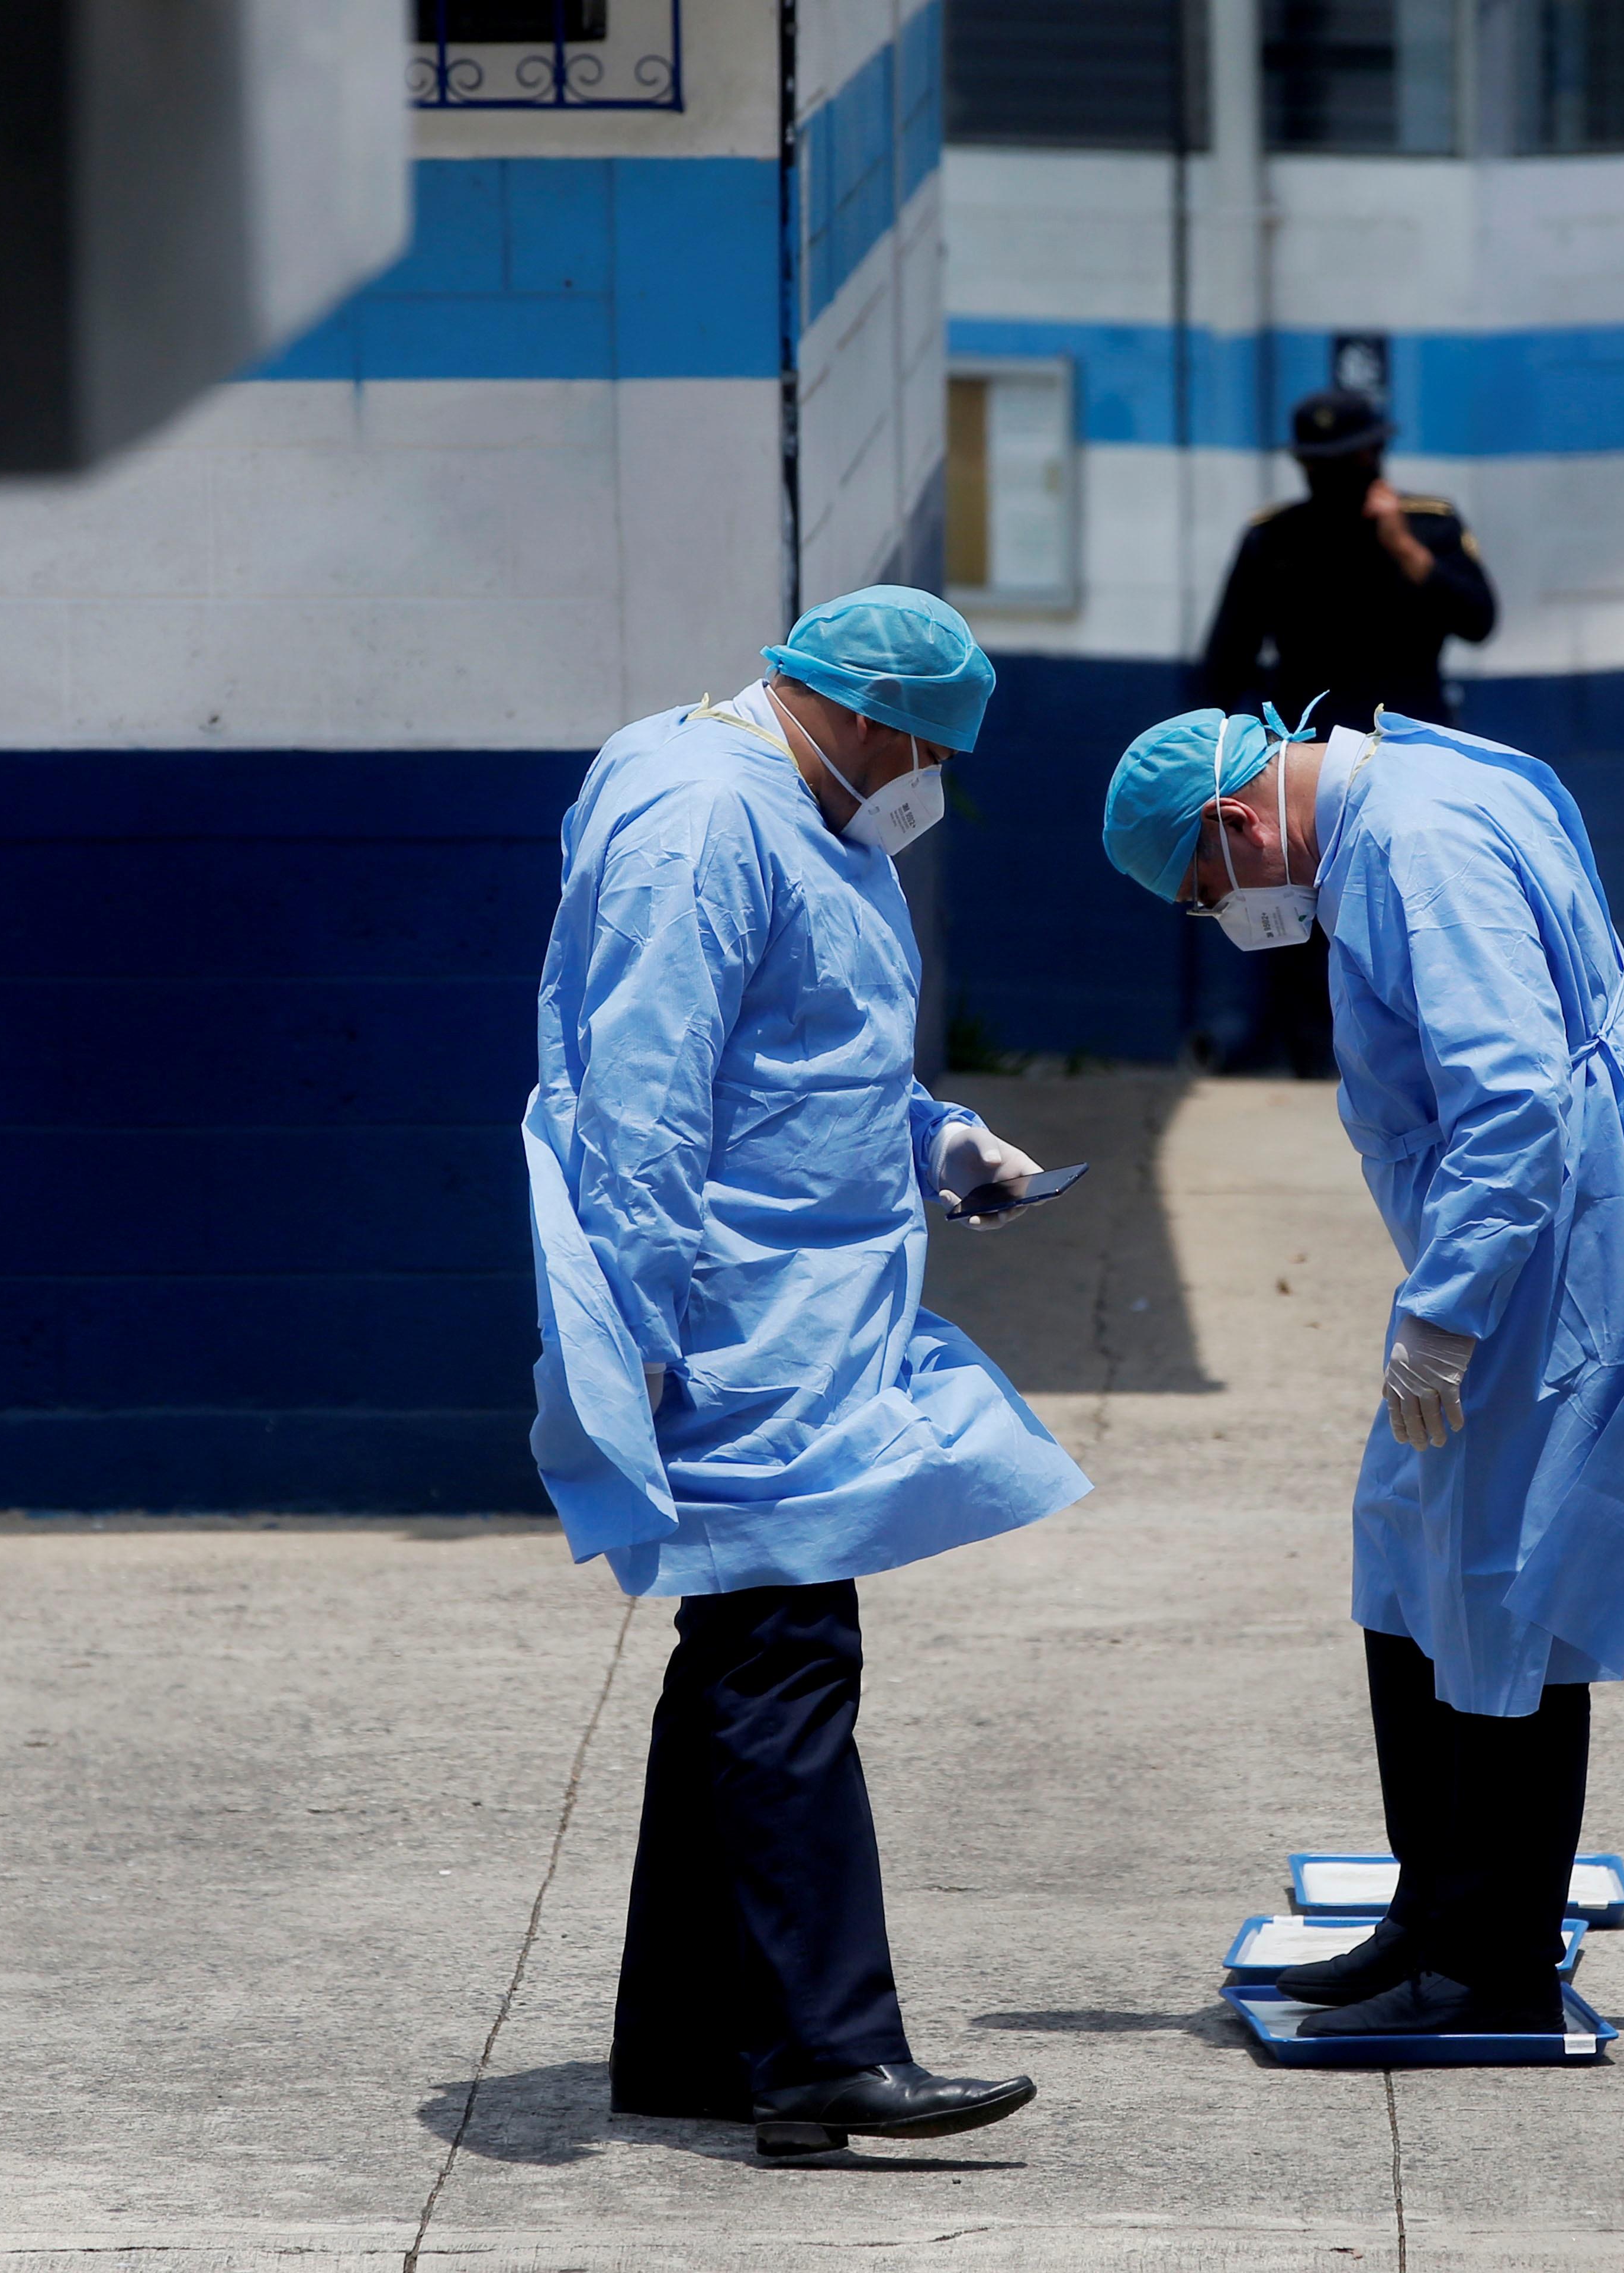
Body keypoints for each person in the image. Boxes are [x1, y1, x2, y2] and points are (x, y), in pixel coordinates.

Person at [1097, 702, 1624, 2038]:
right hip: (1534, 1218)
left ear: (1232, 824)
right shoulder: (1415, 785)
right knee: (1410, 1534)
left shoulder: (1415, 847)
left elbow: (1513, 1098)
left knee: (1511, 1572)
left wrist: (1447, 1310)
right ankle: (1432, 1907)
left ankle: (1489, 1945)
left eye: (1206, 891)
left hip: (1551, 1231)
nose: (1226, 913)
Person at [522, 586, 1089, 2156]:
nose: (931, 784)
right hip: (727, 1311)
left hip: (802, 1309)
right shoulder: (708, 816)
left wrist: (939, 1138)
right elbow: (642, 1094)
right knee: (785, 1657)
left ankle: (696, 2043)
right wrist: (632, 1335)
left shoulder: (794, 804)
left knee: (740, 1654)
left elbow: (810, 1037)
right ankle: (830, 2052)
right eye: (927, 752)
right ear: (856, 711)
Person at [1197, 386, 1497, 1077]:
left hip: (1410, 759)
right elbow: (1222, 666)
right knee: (1306, 916)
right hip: (1308, 773)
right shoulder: (1275, 540)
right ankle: (1316, 1062)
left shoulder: (1427, 527)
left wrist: (1400, 546)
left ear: (1376, 451)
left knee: (1422, 910)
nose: (1330, 473)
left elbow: (1478, 618)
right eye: (1317, 461)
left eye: (1346, 456)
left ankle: (1431, 1058)